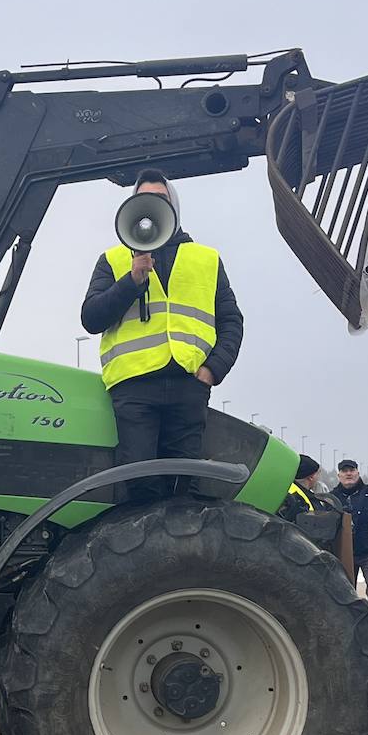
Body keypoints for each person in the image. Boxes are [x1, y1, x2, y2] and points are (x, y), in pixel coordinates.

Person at [80, 168, 244, 502]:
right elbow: (91, 318)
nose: (152, 205)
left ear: (174, 207)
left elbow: (231, 321)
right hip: (134, 387)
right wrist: (131, 280)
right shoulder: (113, 260)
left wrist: (212, 371)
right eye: (144, 199)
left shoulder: (206, 259)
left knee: (186, 483)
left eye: (160, 199)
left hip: (188, 385)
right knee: (139, 480)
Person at [331, 461, 368, 628]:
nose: (348, 474)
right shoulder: (333, 497)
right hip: (345, 553)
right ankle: (351, 629)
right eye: (344, 471)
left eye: (352, 470)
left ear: (358, 472)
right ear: (338, 475)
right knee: (346, 594)